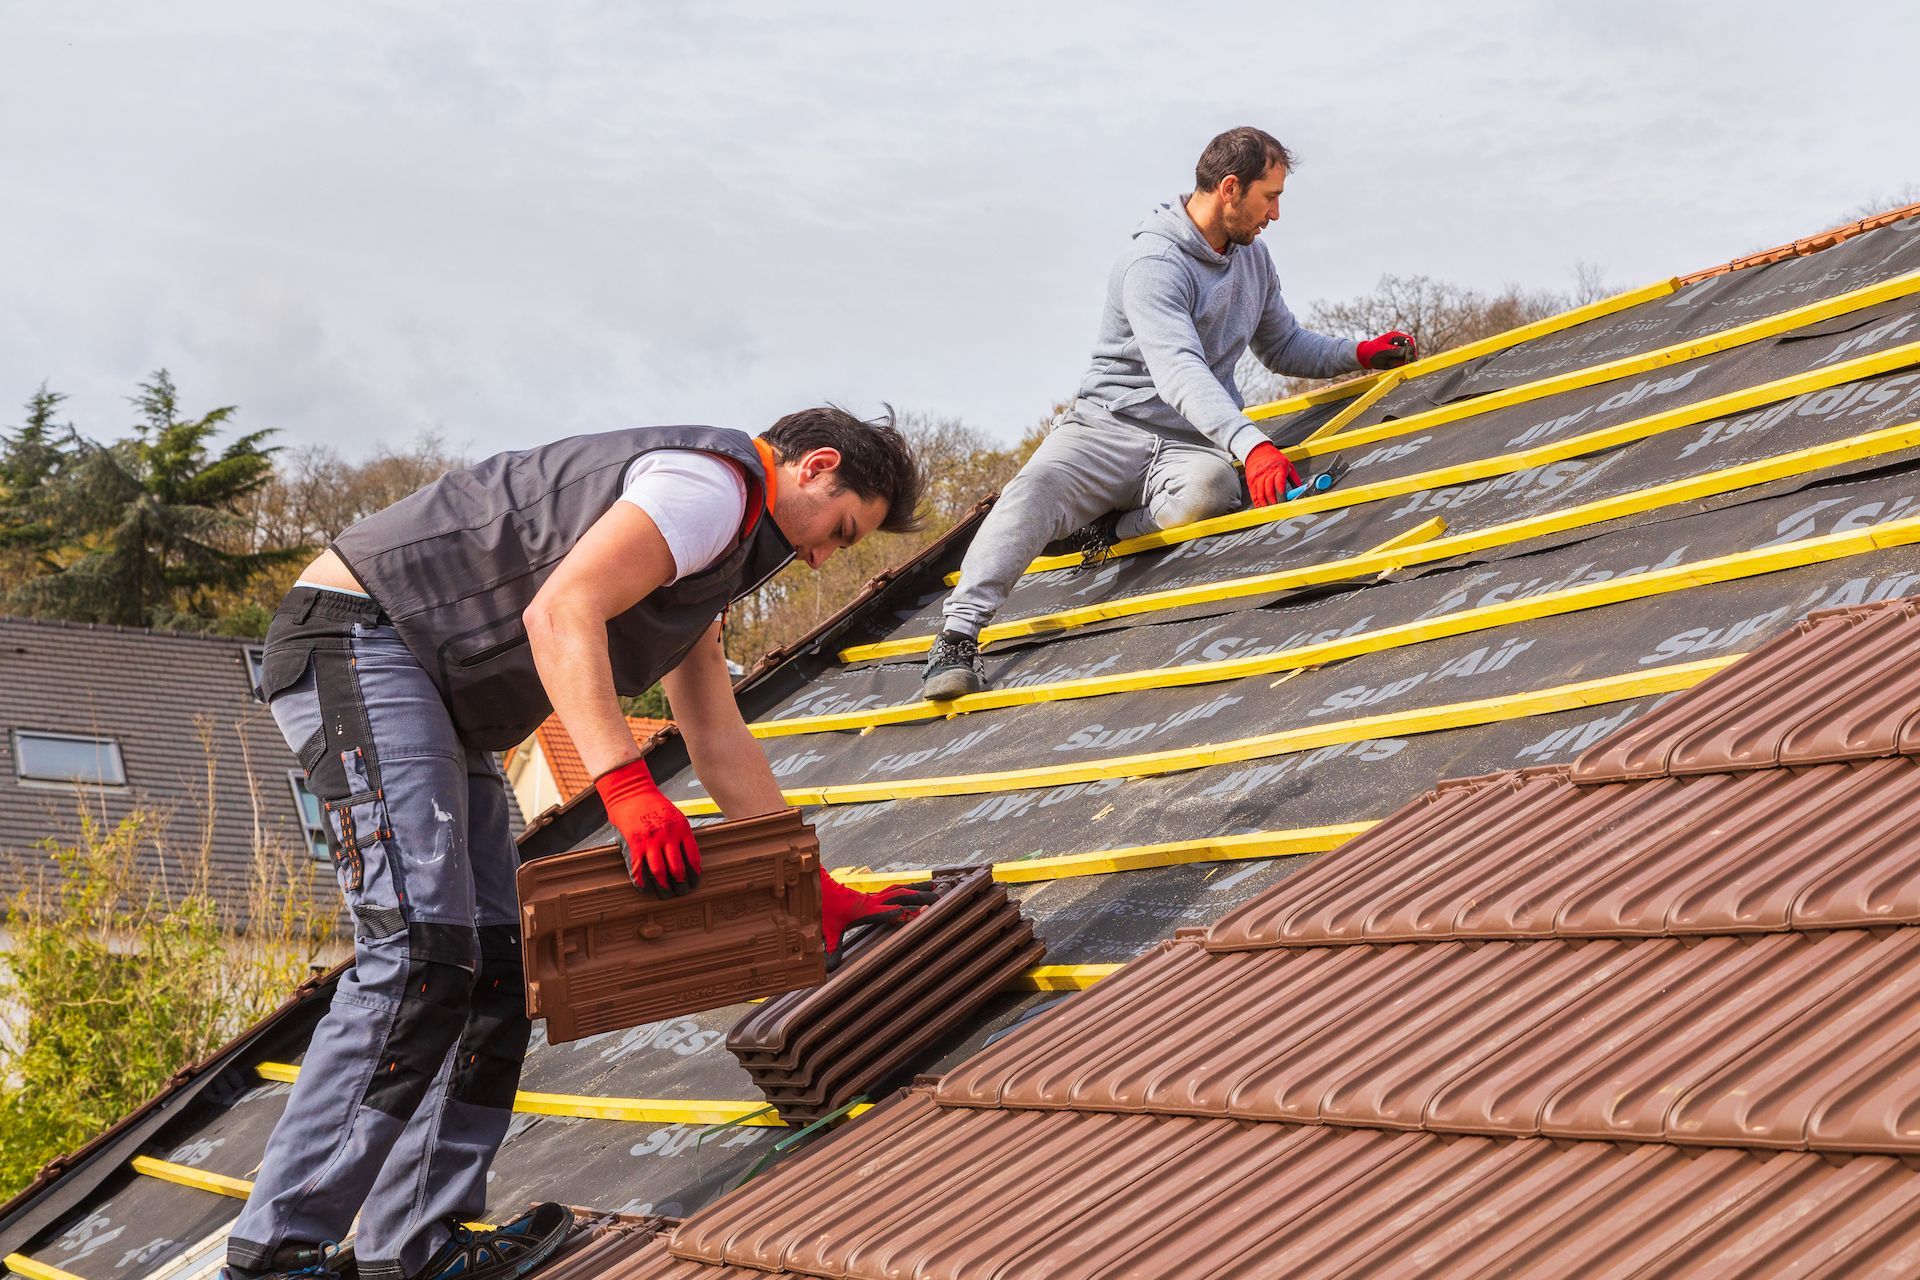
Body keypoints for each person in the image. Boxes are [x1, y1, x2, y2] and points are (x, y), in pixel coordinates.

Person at [226, 409, 929, 1280]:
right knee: (419, 952)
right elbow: (562, 614)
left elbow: (714, 729)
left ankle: (412, 1248)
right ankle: (275, 1254)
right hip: (364, 638)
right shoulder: (709, 488)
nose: (826, 555)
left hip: (438, 696)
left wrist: (803, 880)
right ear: (815, 466)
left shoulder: (721, 549)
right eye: (842, 528)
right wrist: (625, 787)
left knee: (492, 964)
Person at [922, 126, 1417, 700]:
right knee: (1034, 491)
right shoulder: (1152, 263)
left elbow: (1283, 345)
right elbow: (1180, 369)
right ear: (1231, 188)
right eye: (1270, 197)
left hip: (1187, 445)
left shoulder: (1253, 261)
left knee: (1210, 492)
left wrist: (1356, 353)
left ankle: (1101, 528)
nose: (1275, 214)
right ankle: (957, 637)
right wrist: (1252, 445)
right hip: (1107, 429)